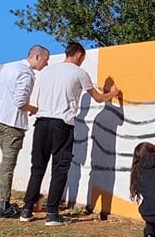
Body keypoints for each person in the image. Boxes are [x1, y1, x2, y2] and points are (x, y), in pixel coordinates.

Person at [19, 42, 120, 226]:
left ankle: (26, 210)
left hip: (41, 122)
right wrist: (112, 94)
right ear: (79, 55)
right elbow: (97, 97)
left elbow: (41, 97)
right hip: (61, 125)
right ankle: (51, 214)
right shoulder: (79, 73)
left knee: (38, 168)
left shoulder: (48, 72)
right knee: (59, 169)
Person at [0, 45, 50, 218]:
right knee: (8, 164)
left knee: (5, 162)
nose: (46, 64)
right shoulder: (26, 74)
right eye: (45, 60)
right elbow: (20, 101)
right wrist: (33, 108)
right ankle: (4, 206)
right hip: (11, 123)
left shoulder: (10, 67)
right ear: (36, 57)